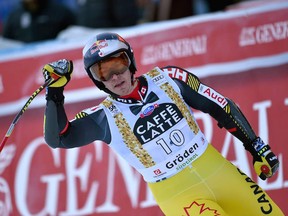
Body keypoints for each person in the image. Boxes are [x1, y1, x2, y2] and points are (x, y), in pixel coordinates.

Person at [42, 32, 284, 215]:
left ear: (131, 62)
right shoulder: (103, 117)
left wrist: (256, 146)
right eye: (103, 72)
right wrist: (54, 93)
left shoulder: (169, 78)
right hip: (180, 195)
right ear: (97, 81)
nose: (115, 76)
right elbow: (58, 138)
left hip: (219, 172)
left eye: (118, 64)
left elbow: (219, 105)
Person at [2, 0, 75, 43]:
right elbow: (6, 43)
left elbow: (76, 35)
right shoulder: (14, 16)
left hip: (54, 61)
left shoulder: (60, 12)